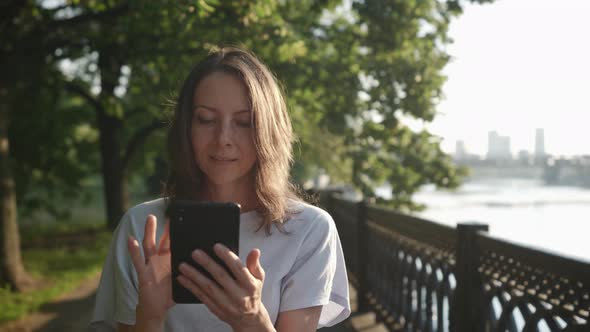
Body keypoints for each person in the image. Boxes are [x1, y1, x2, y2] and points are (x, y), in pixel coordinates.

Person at [89, 47, 350, 332]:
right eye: (206, 119)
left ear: (268, 129)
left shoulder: (309, 230)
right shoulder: (142, 227)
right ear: (185, 127)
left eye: (243, 122)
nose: (223, 138)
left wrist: (252, 321)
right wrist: (149, 316)